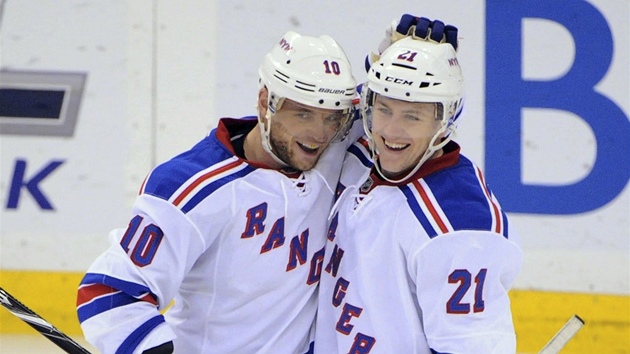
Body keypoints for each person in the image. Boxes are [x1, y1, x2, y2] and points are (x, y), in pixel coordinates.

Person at [75, 30, 361, 354]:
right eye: (303, 113)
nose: (319, 133)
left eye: (332, 118)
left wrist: (408, 50)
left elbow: (393, 109)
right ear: (266, 102)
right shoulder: (191, 188)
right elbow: (108, 294)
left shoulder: (336, 145)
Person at [315, 15, 523, 353]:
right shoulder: (360, 151)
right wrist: (388, 59)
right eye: (384, 110)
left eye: (412, 116)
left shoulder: (461, 226)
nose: (391, 132)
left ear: (445, 121)